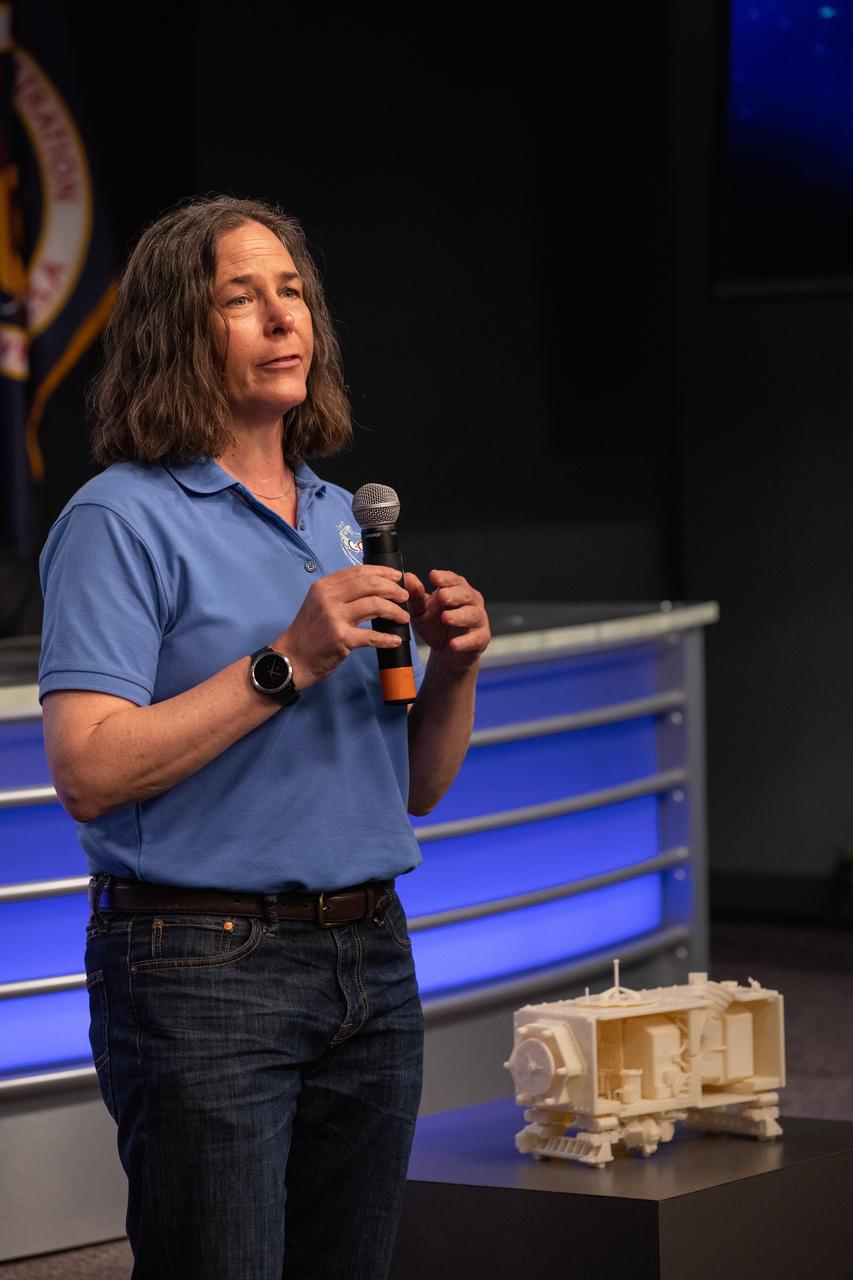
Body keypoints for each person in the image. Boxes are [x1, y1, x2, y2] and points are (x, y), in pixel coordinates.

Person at [38, 195, 491, 1280]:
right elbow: (89, 770)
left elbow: (416, 786)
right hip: (202, 967)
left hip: (371, 958)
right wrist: (284, 657)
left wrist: (460, 667)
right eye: (242, 298)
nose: (283, 317)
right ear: (175, 333)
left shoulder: (344, 514)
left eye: (292, 292)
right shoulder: (119, 518)